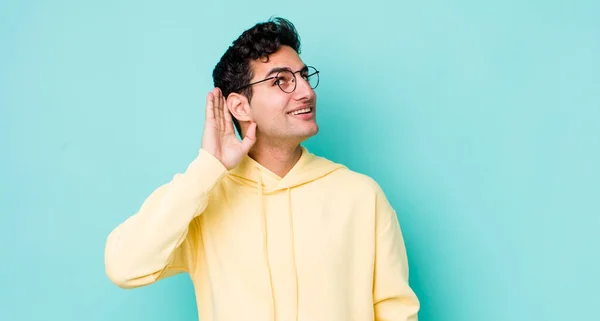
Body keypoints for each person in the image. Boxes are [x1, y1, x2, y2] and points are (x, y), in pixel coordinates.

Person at [104, 17, 420, 321]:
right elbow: (124, 266)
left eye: (303, 76)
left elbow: (397, 312)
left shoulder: (361, 196)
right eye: (281, 80)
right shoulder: (204, 198)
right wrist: (207, 168)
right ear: (240, 106)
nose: (306, 92)